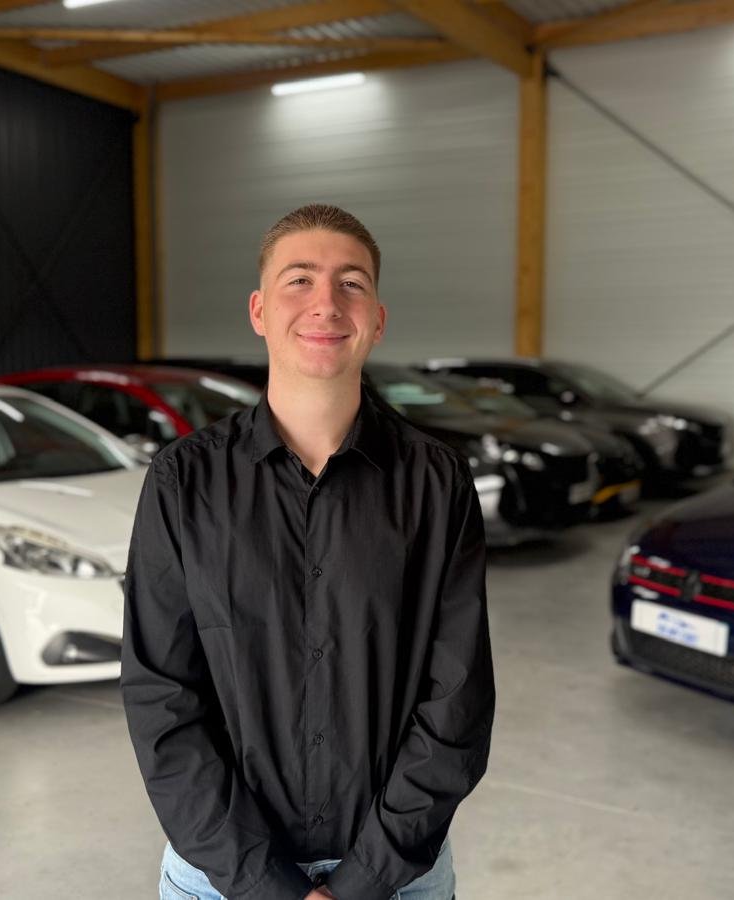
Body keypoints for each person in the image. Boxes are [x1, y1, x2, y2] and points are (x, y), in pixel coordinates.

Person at [122, 204, 496, 900]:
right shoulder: (184, 481)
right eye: (299, 279)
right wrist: (262, 882)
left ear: (377, 319)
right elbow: (161, 695)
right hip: (221, 879)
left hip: (398, 877)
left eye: (351, 283)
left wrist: (365, 879)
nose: (326, 302)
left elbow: (458, 699)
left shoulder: (436, 481)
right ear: (259, 311)